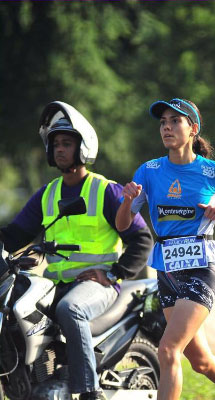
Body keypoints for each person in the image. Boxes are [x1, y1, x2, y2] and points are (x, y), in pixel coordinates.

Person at [0, 101, 153, 400]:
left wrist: (115, 273)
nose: (59, 149)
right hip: (58, 283)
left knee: (70, 309)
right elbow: (14, 234)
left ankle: (88, 390)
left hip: (97, 285)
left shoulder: (106, 190)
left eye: (66, 143)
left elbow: (142, 238)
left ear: (82, 148)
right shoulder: (48, 194)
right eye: (55, 144)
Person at [115, 98, 215, 400]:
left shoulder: (213, 171)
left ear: (193, 129)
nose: (167, 127)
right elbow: (121, 225)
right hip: (167, 271)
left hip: (201, 268)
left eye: (175, 121)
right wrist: (129, 200)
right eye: (162, 122)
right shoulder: (149, 171)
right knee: (201, 362)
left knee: (169, 349)